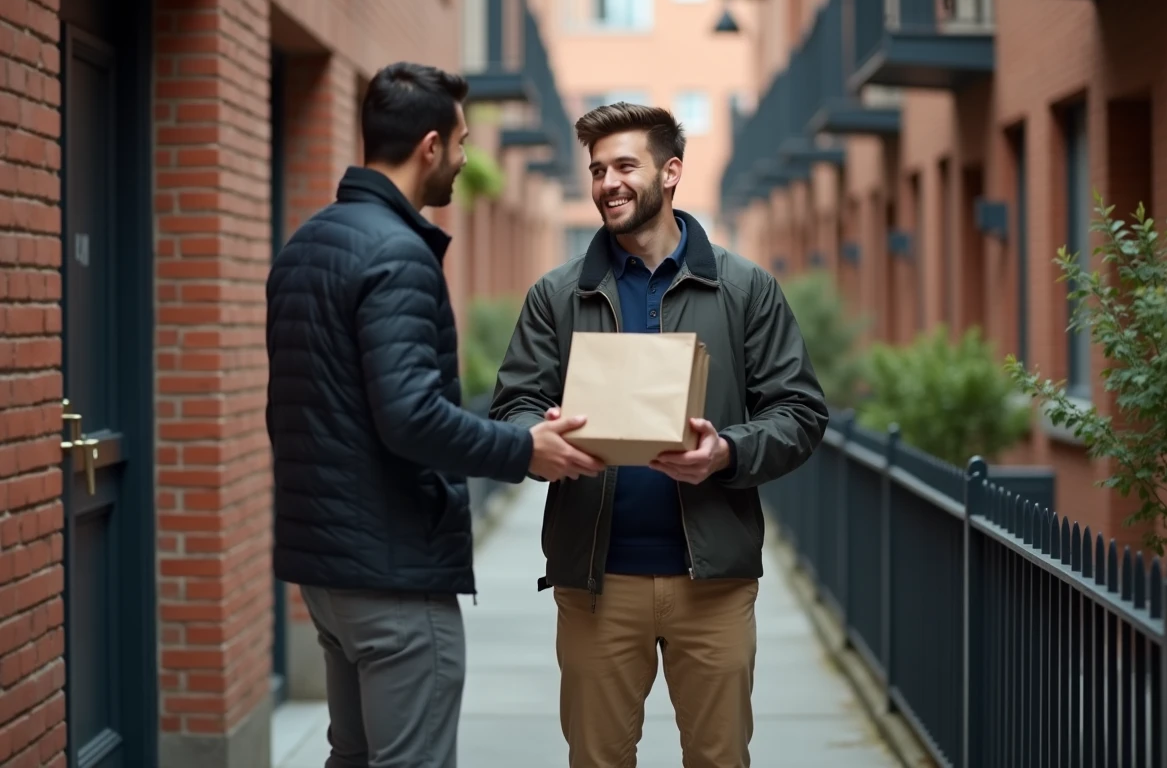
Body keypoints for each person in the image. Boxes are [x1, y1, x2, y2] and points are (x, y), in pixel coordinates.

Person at [265, 61, 603, 768]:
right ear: (428, 146)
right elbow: (411, 416)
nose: (464, 158)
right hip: (392, 573)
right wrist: (524, 449)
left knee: (352, 757)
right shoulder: (398, 253)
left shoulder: (306, 245)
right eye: (461, 142)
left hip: (327, 569)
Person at [489, 102, 829, 768]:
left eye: (624, 166)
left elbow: (799, 412)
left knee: (719, 760)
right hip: (596, 582)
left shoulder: (744, 289)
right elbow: (513, 409)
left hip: (714, 585)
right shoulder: (558, 295)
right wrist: (542, 440)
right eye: (597, 170)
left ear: (671, 172)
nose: (608, 183)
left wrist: (727, 453)